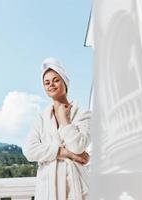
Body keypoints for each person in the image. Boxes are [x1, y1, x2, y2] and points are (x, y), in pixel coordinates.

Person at [22, 57, 91, 200]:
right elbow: (29, 150)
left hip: (77, 186)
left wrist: (65, 120)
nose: (51, 85)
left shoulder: (83, 114)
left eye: (55, 80)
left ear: (65, 82)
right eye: (46, 82)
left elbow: (78, 146)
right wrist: (67, 154)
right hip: (48, 189)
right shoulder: (41, 119)